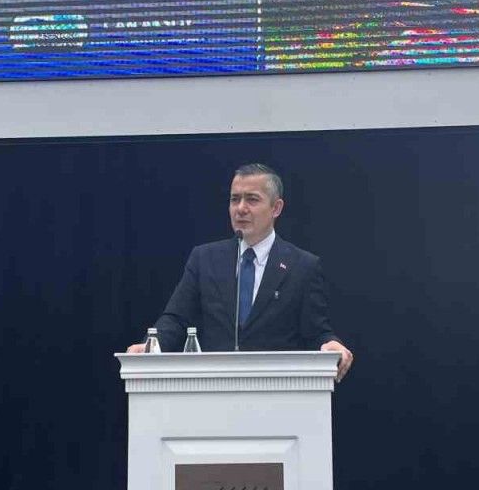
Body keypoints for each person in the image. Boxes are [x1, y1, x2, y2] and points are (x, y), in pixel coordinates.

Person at [126, 163, 354, 381]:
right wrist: (151, 345)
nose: (241, 208)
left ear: (276, 208)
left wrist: (331, 343)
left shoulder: (302, 266)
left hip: (277, 389)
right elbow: (176, 319)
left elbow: (316, 332)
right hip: (214, 385)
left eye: (252, 199)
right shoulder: (205, 259)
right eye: (235, 199)